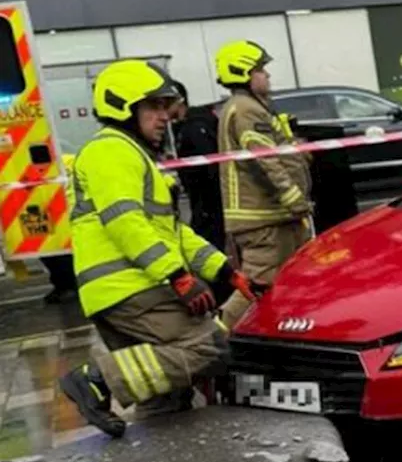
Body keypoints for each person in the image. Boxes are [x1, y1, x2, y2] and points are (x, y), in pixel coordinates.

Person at [56, 59, 263, 437]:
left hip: (122, 290)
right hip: (132, 288)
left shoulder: (135, 156)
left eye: (165, 106)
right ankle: (98, 378)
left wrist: (224, 271)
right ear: (123, 107)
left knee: (166, 394)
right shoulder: (111, 151)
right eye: (153, 106)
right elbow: (125, 222)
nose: (165, 115)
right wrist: (178, 276)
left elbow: (173, 232)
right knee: (208, 349)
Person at [214, 40, 313, 328]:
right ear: (243, 73)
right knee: (257, 286)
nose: (266, 76)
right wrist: (294, 199)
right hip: (263, 219)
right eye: (260, 69)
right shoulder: (246, 109)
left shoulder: (245, 107)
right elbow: (265, 159)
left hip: (270, 217)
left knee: (290, 281)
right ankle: (216, 339)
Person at [169, 81, 226, 254]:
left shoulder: (195, 128)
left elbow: (209, 164)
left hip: (208, 199)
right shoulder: (183, 127)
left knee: (207, 244)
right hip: (199, 199)